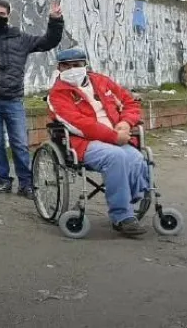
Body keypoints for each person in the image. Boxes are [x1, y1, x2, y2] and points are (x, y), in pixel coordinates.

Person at [47, 48, 149, 237]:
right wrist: (113, 136)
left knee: (136, 158)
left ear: (85, 65)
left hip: (117, 136)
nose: (72, 69)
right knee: (116, 157)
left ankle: (129, 198)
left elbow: (130, 102)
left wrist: (126, 123)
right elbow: (79, 125)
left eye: (77, 65)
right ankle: (122, 217)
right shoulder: (57, 94)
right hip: (84, 143)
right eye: (66, 66)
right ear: (59, 68)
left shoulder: (102, 82)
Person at [0, 0, 64, 198]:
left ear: (9, 14)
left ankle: (26, 184)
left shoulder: (20, 38)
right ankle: (3, 181)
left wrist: (55, 20)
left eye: (2, 13)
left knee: (20, 144)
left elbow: (48, 41)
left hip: (14, 100)